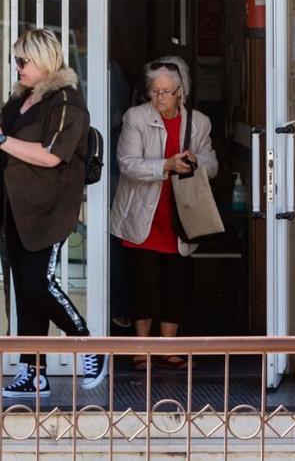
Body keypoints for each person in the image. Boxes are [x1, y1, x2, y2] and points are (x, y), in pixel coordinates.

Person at [0, 28, 107, 398]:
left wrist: (3, 139)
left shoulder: (66, 102)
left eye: (23, 61)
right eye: (15, 60)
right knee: (26, 289)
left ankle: (86, 343)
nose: (17, 67)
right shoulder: (21, 100)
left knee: (39, 283)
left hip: (46, 207)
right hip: (15, 206)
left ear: (44, 61)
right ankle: (33, 372)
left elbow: (52, 154)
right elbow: (1, 153)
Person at [110, 57, 218, 370]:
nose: (159, 98)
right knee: (144, 283)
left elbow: (212, 163)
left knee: (175, 282)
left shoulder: (199, 122)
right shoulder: (136, 118)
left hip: (181, 212)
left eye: (166, 92)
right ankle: (142, 348)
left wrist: (195, 162)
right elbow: (127, 163)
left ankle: (168, 348)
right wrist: (166, 165)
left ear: (180, 93)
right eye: (155, 91)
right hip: (143, 213)